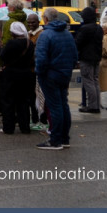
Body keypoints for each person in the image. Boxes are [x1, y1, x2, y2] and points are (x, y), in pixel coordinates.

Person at [33, 8, 78, 150]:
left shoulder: (45, 35)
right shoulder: (66, 33)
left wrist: (39, 73)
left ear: (46, 19)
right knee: (63, 105)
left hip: (50, 75)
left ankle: (56, 139)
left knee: (55, 107)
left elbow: (41, 59)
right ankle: (64, 138)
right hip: (64, 73)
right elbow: (75, 56)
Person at [0, 22, 35, 135]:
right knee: (24, 101)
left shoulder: (11, 43)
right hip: (26, 74)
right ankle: (25, 127)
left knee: (8, 101)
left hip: (11, 74)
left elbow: (2, 56)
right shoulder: (30, 43)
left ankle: (8, 127)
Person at [75, 6, 103, 113]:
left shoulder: (85, 28)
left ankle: (92, 106)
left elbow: (78, 43)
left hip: (86, 58)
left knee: (88, 81)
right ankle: (96, 105)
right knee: (95, 81)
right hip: (96, 57)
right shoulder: (98, 28)